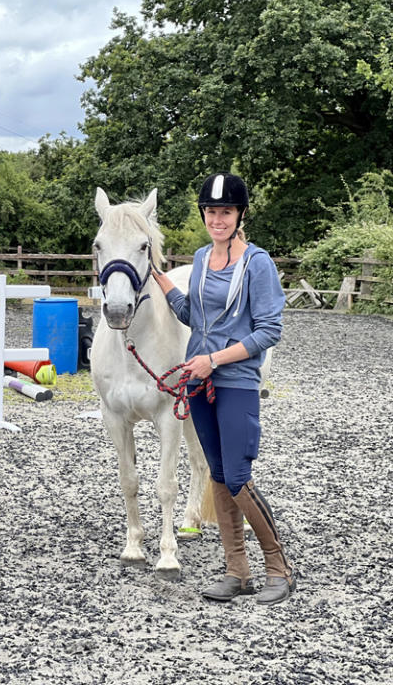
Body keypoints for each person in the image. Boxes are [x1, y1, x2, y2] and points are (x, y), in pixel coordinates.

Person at [152, 173, 296, 605]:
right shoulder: (200, 258)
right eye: (211, 211)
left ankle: (279, 567)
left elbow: (270, 330)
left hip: (234, 381)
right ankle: (237, 571)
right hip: (199, 383)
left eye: (226, 211)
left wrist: (214, 360)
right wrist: (158, 279)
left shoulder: (257, 264)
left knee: (237, 475)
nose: (217, 218)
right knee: (217, 474)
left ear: (239, 215)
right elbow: (194, 315)